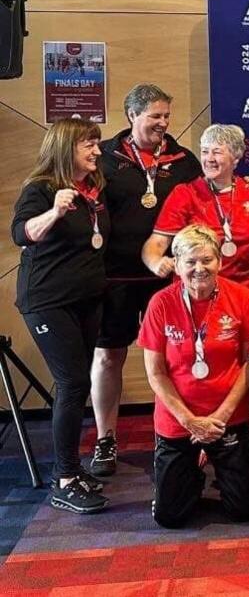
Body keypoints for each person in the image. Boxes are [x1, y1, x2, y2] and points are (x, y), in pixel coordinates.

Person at [88, 84, 200, 477]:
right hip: (114, 277)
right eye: (155, 116)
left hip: (166, 279)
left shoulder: (184, 160)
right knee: (108, 357)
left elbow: (207, 197)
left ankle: (170, 436)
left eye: (167, 116)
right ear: (132, 115)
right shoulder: (102, 158)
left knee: (172, 359)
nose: (163, 124)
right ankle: (105, 440)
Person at [12, 119, 110, 513]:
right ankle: (65, 478)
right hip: (47, 301)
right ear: (67, 147)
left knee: (78, 383)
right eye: (89, 145)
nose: (97, 151)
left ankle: (73, 469)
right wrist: (54, 212)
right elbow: (22, 233)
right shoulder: (40, 189)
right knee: (70, 383)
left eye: (97, 145)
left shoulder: (94, 190)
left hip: (86, 299)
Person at [138, 225, 249, 527]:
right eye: (190, 261)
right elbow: (156, 373)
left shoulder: (241, 297)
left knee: (245, 511)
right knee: (170, 517)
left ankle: (208, 457)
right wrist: (189, 421)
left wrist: (221, 415)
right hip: (177, 421)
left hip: (228, 417)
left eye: (207, 260)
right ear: (176, 265)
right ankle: (191, 468)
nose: (199, 269)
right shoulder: (161, 303)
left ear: (219, 261)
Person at [143, 124, 249, 302]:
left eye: (217, 152)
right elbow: (156, 244)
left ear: (235, 158)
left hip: (248, 296)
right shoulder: (184, 194)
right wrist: (156, 262)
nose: (209, 159)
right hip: (198, 294)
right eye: (205, 151)